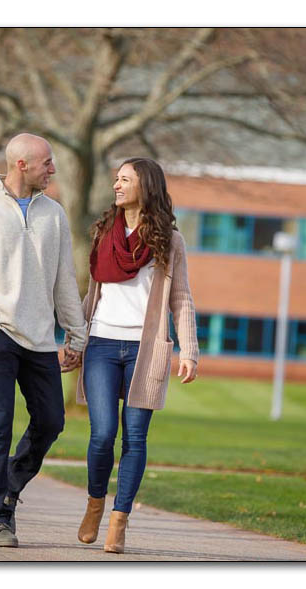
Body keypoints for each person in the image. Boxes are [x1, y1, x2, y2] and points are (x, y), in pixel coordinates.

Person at [0, 133, 85, 548]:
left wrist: (75, 334)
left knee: (51, 421)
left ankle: (8, 483)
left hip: (40, 339)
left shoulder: (55, 214)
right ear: (21, 164)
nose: (53, 169)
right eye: (46, 162)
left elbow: (64, 279)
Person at [61, 157, 199, 554]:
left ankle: (120, 520)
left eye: (125, 180)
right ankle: (94, 503)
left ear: (146, 186)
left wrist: (189, 350)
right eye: (116, 179)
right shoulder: (105, 231)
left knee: (134, 438)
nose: (116, 185)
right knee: (103, 434)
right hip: (102, 342)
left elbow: (181, 297)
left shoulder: (169, 240)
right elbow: (93, 292)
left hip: (146, 348)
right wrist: (76, 339)